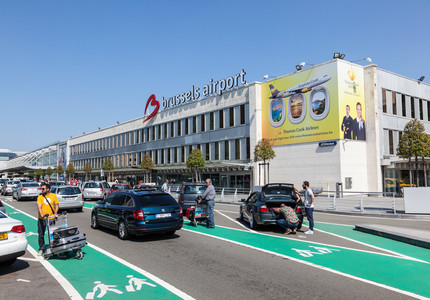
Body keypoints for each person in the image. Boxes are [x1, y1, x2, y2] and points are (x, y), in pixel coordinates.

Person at [36, 183, 59, 255]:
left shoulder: (53, 196)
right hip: (41, 219)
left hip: (51, 218)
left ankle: (54, 247)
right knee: (41, 234)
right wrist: (42, 215)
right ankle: (41, 249)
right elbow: (39, 207)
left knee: (52, 234)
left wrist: (55, 213)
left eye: (43, 189)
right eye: (41, 189)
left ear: (48, 189)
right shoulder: (40, 197)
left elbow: (57, 205)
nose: (41, 190)